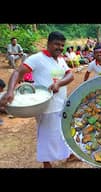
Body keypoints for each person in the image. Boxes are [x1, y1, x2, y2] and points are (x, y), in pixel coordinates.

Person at [0, 31, 76, 168]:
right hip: (45, 105)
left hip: (61, 103)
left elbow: (70, 76)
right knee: (46, 135)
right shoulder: (37, 58)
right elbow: (18, 72)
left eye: (62, 45)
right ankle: (46, 163)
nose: (59, 48)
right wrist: (10, 91)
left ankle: (69, 154)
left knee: (63, 130)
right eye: (56, 44)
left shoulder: (60, 59)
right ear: (48, 43)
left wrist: (59, 83)